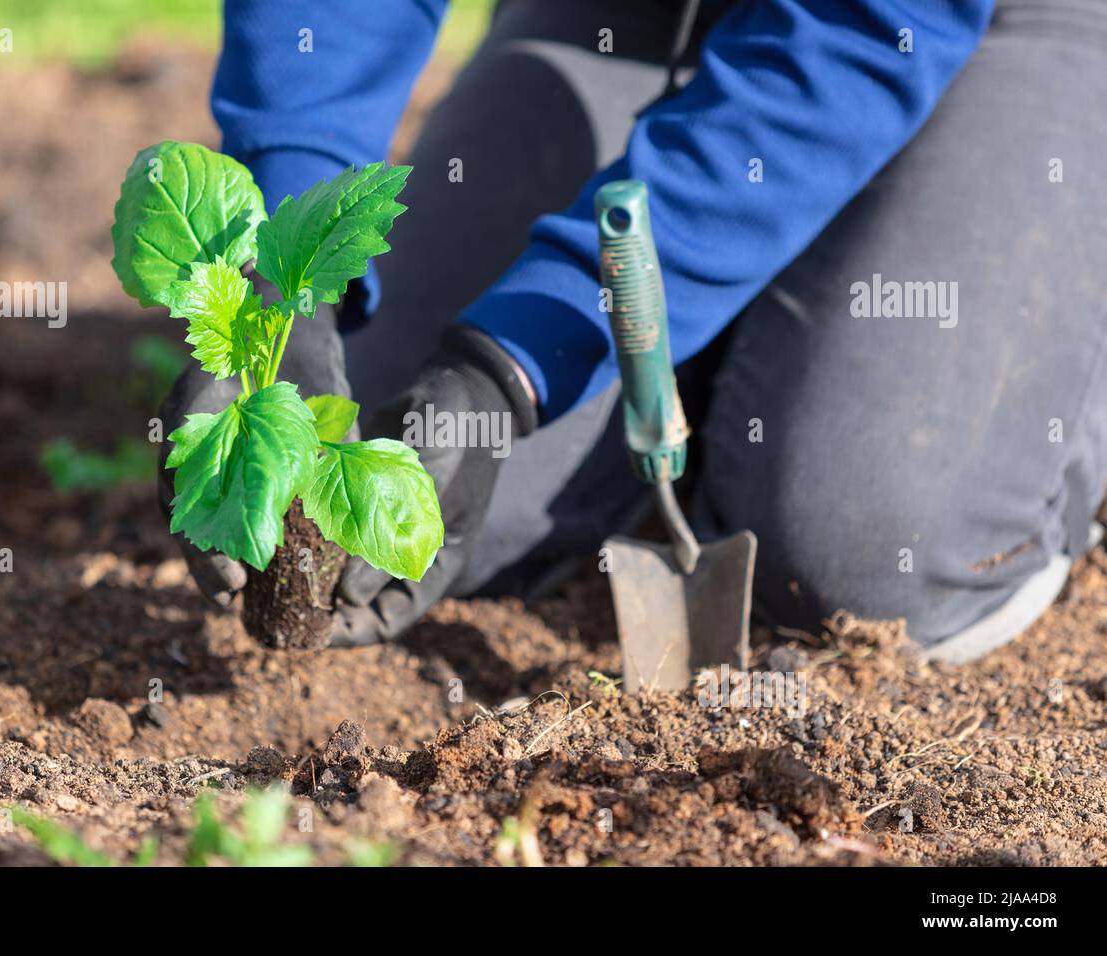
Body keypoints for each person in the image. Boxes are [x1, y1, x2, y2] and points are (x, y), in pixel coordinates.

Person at [160, 0, 1107, 661]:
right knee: (437, 514)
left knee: (872, 549)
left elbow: (860, 26)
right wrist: (282, 275)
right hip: (626, 14)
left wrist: (515, 363)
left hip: (947, 19)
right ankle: (726, 343)